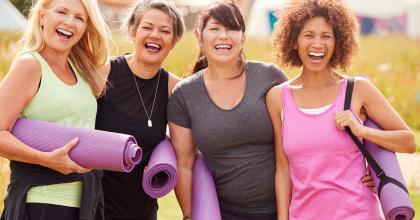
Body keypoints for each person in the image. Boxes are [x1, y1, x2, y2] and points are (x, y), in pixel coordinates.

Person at [266, 0, 417, 219]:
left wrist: (363, 131)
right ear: (294, 41)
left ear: (338, 42)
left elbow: (408, 141)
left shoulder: (357, 89)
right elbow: (283, 168)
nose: (318, 43)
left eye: (326, 36)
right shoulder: (278, 97)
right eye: (309, 35)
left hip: (357, 213)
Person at [167, 2, 289, 219]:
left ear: (242, 38)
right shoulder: (184, 94)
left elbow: (305, 132)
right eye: (214, 29)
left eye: (231, 28)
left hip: (288, 208)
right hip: (223, 212)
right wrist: (188, 214)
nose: (223, 36)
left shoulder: (270, 77)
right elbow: (184, 164)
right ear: (200, 37)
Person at [0, 0, 110, 219]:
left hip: (84, 203)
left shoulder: (83, 71)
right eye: (61, 12)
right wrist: (45, 158)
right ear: (42, 16)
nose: (69, 22)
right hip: (41, 202)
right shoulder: (30, 64)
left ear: (86, 28)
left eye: (79, 18)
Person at [94, 0, 185, 219]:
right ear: (133, 31)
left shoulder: (175, 89)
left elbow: (184, 155)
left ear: (173, 42)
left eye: (165, 31)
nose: (155, 35)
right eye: (147, 27)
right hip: (94, 207)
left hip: (141, 210)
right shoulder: (102, 74)